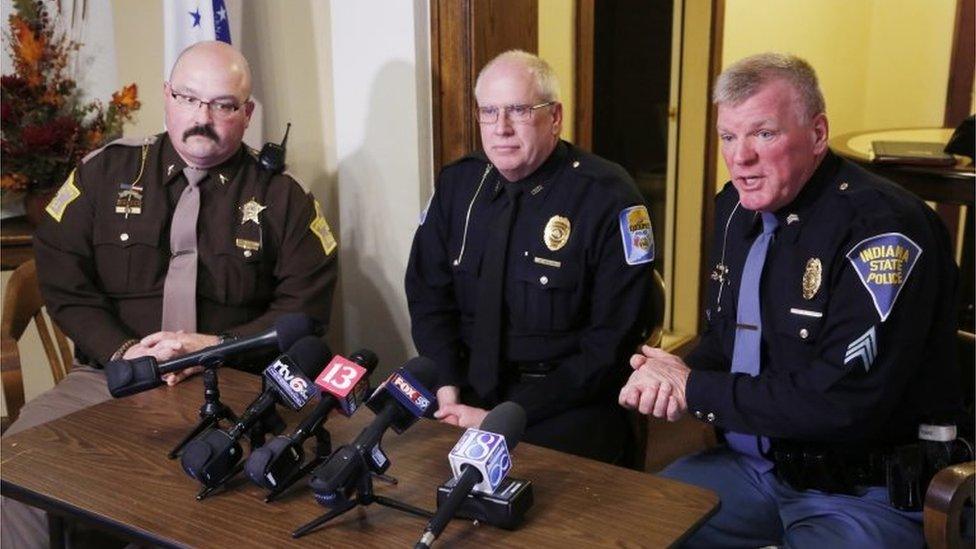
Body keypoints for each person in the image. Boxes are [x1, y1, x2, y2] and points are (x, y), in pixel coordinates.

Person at [619, 52, 965, 547]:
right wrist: (664, 379)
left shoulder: (882, 229)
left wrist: (694, 388)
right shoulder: (737, 210)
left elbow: (840, 404)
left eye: (764, 133)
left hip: (861, 491)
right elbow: (725, 340)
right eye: (728, 137)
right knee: (627, 527)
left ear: (818, 133)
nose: (741, 157)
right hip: (754, 470)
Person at [2, 41, 338, 547]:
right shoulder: (106, 172)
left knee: (247, 496)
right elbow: (60, 271)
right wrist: (123, 350)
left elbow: (304, 309)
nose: (202, 117)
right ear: (166, 97)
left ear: (247, 114)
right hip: (108, 375)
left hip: (232, 385)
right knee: (16, 469)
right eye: (188, 98)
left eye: (223, 105)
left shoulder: (282, 197)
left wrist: (210, 347)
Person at [406, 50, 656, 464]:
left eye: (519, 111)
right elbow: (427, 294)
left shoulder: (607, 197)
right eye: (489, 112)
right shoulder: (458, 184)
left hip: (565, 402)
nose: (501, 128)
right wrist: (446, 382)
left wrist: (503, 418)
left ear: (555, 117)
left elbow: (611, 345)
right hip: (464, 387)